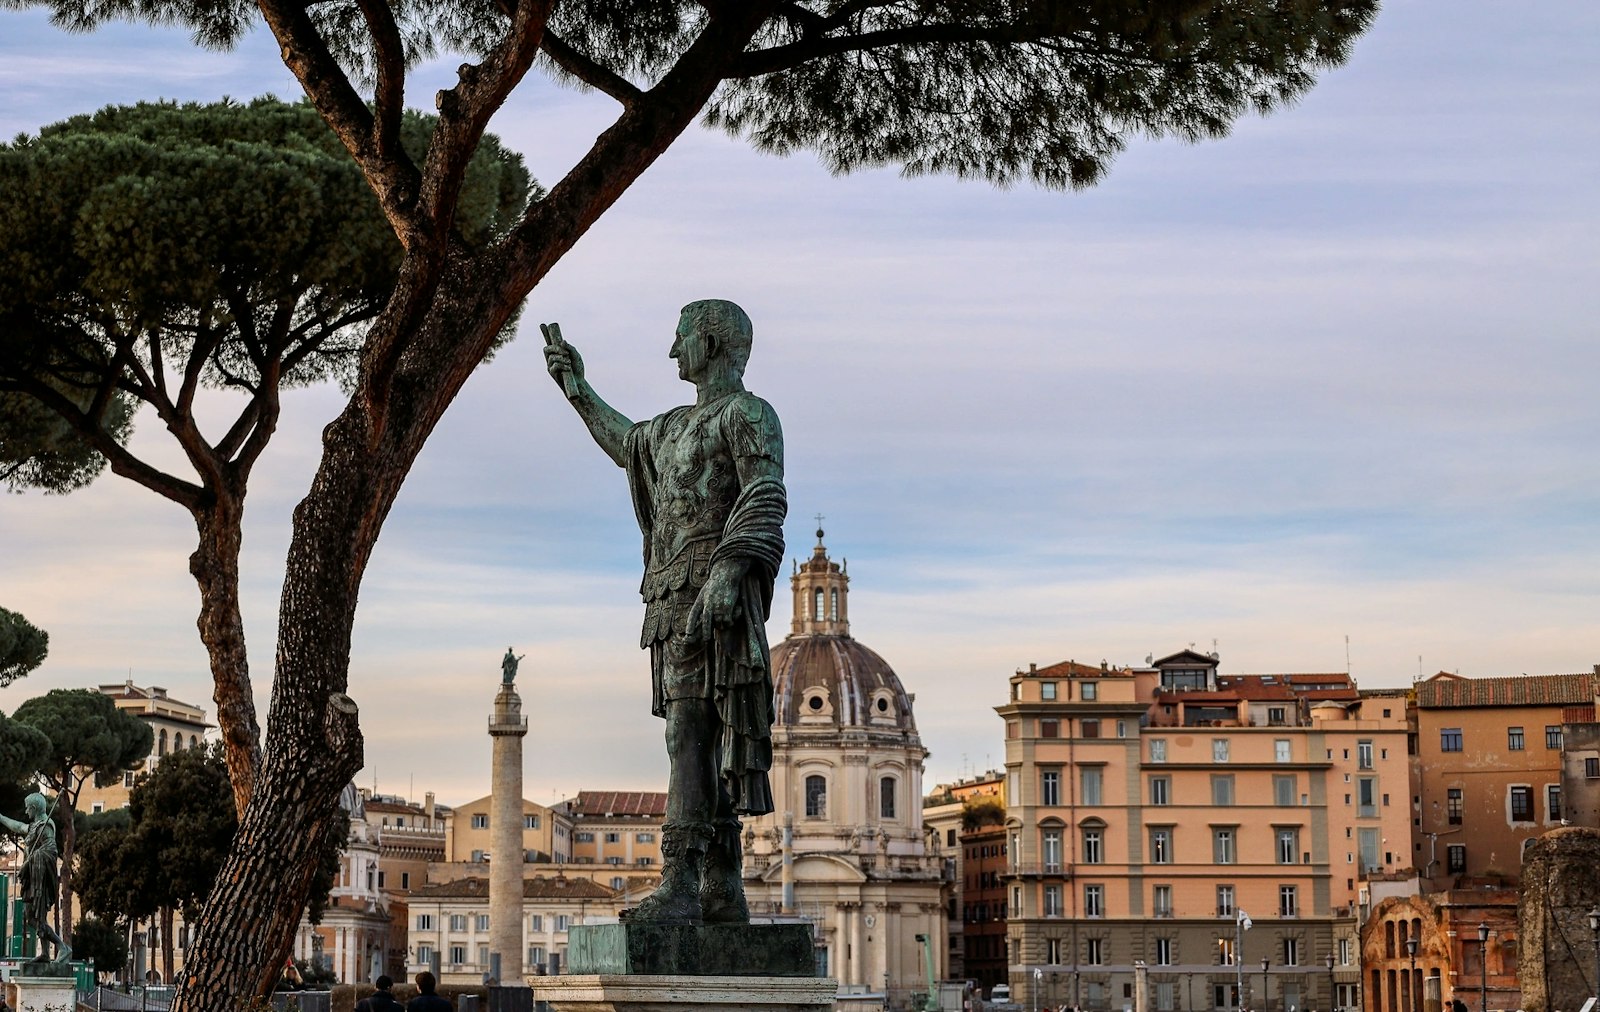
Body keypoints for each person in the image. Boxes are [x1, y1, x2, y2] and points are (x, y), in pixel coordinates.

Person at [544, 300, 787, 924]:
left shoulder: (748, 414)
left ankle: (687, 880)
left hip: (716, 589)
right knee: (693, 735)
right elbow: (628, 445)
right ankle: (719, 883)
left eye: (681, 337)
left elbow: (765, 492)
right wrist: (577, 390)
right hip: (671, 595)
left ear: (711, 342)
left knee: (697, 734)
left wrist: (729, 572)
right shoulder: (674, 426)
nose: (673, 350)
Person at [0, 793, 70, 963]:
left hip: (40, 880)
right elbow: (18, 826)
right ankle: (45, 953)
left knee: (35, 916)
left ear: (34, 808)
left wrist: (31, 860)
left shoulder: (45, 827)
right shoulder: (35, 826)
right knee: (34, 916)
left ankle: (62, 947)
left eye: (27, 808)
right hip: (33, 878)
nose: (26, 811)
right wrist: (1, 817)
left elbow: (51, 851)